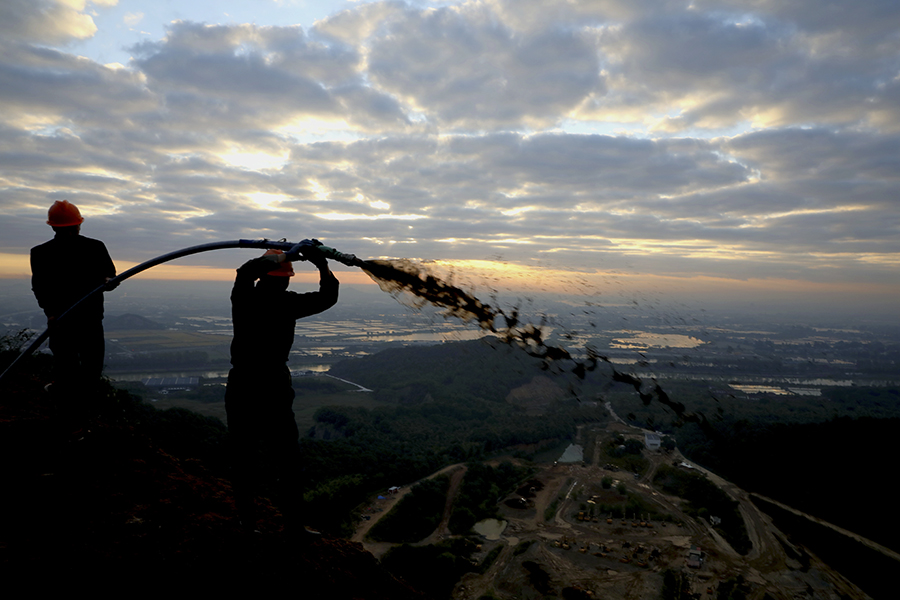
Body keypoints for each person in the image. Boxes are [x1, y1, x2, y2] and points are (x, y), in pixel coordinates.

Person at [224, 243, 339, 532]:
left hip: (244, 385)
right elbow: (328, 296)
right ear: (286, 277)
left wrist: (288, 257)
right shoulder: (288, 303)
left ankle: (247, 522)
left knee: (244, 456)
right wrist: (320, 265)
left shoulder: (244, 297)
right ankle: (293, 527)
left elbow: (245, 271)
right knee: (287, 459)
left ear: (266, 276)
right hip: (273, 385)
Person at [30, 200, 116, 397]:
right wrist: (51, 314)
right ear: (79, 224)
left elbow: (110, 276)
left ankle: (74, 402)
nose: (70, 231)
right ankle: (74, 403)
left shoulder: (41, 252)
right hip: (71, 320)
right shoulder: (93, 247)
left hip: (73, 319)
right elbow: (40, 287)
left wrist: (108, 280)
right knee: (81, 366)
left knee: (77, 365)